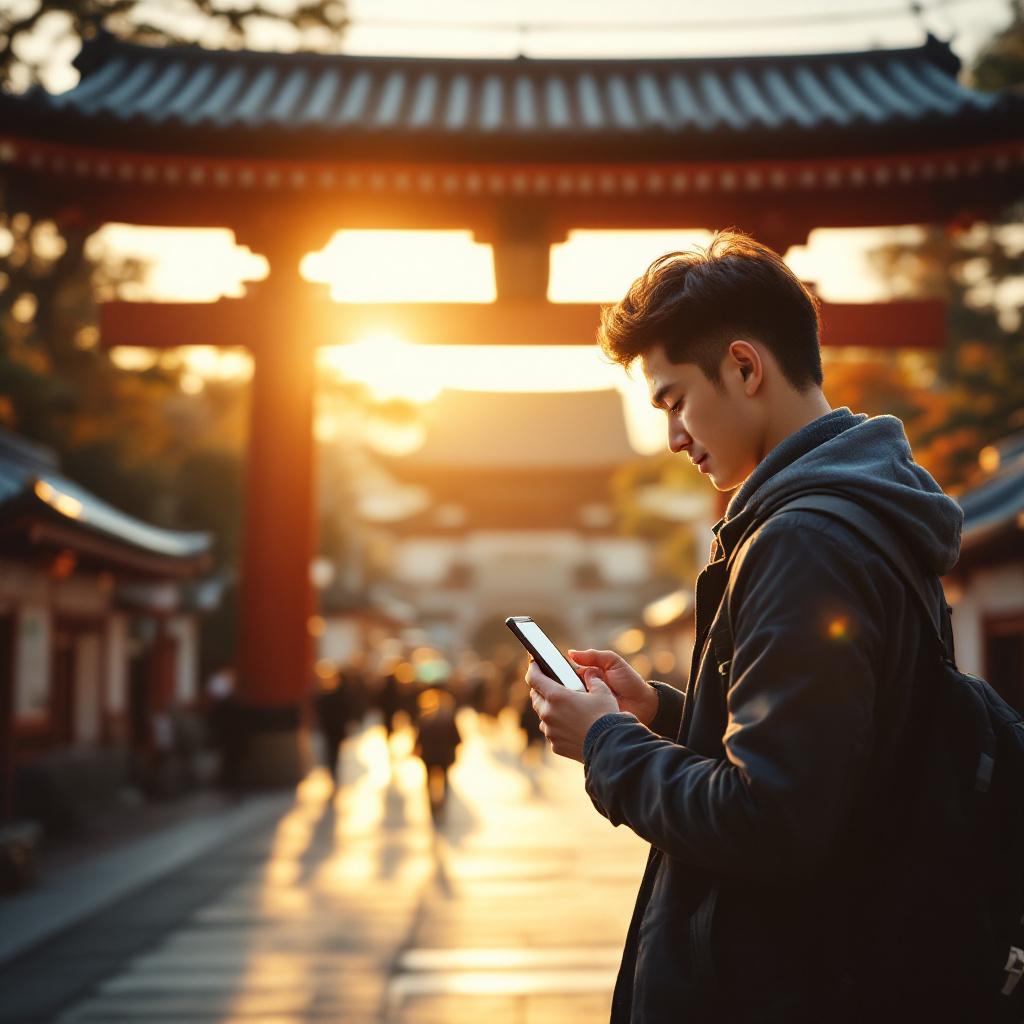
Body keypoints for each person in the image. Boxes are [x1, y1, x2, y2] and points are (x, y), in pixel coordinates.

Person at [527, 231, 965, 1023]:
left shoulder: (803, 542)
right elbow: (826, 760)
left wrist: (604, 744)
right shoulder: (864, 515)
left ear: (744, 367)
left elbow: (769, 821)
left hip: (786, 982)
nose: (672, 437)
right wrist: (660, 713)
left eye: (674, 399)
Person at [413, 687, 462, 823]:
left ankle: (432, 806)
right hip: (444, 756)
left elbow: (418, 740)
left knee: (429, 780)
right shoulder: (449, 719)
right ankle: (442, 803)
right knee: (444, 779)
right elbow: (457, 739)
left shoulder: (424, 719)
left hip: (428, 756)